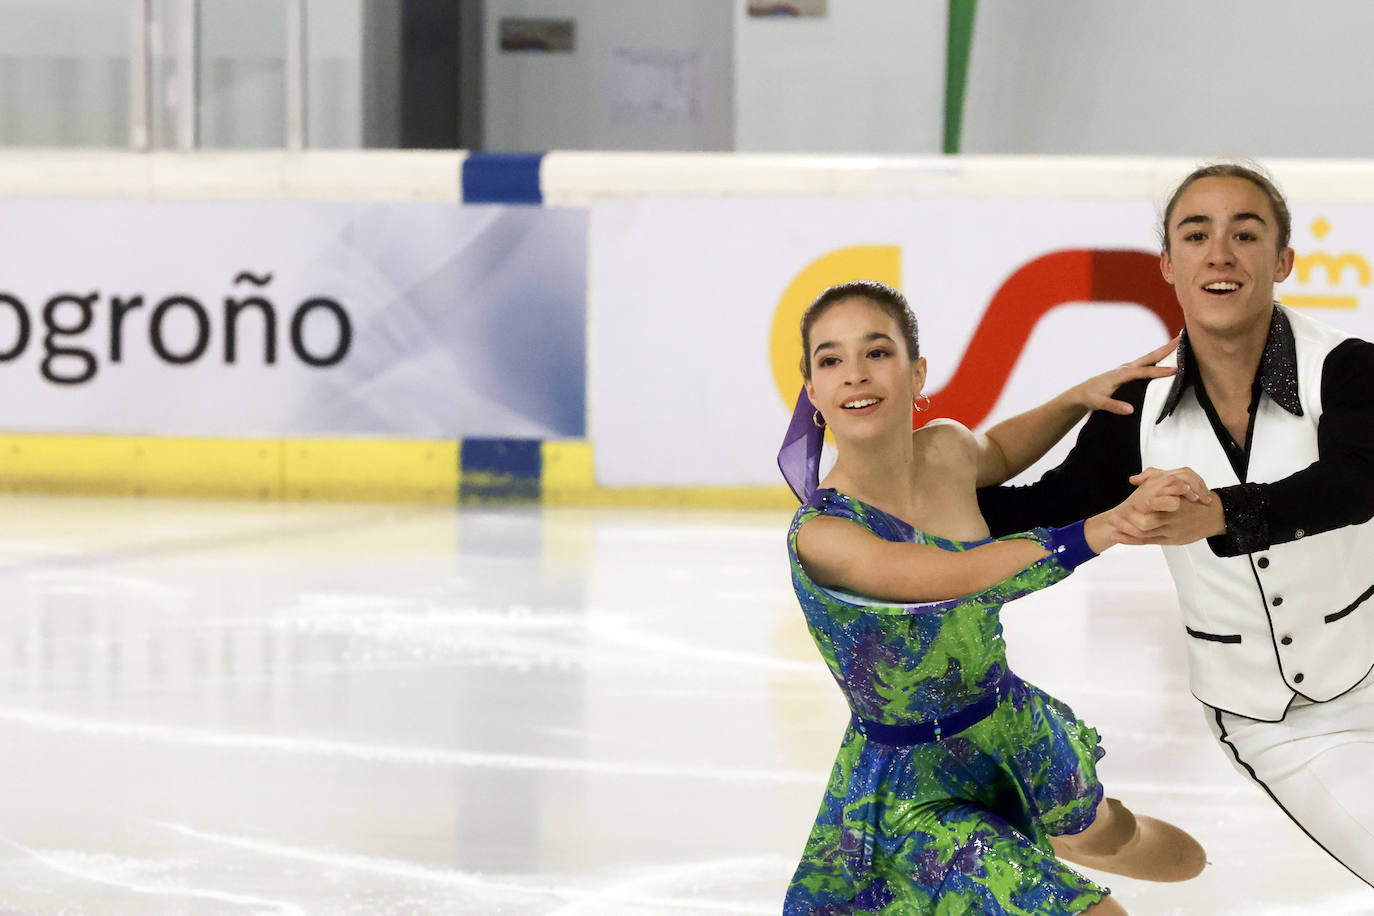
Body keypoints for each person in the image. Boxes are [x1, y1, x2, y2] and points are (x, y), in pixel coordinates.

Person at [977, 162, 1374, 888]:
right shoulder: (1137, 410)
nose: (1219, 252)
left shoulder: (1348, 370)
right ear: (1167, 263)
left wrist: (1220, 513)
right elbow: (1038, 511)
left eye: (1245, 234)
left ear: (1283, 260)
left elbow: (1357, 482)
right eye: (1196, 234)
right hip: (1282, 722)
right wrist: (900, 488)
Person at [778, 280, 1207, 916]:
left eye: (876, 352)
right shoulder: (824, 535)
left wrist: (1077, 398)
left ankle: (1074, 838)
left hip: (1007, 721)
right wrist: (1106, 526)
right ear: (813, 392)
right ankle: (1015, 847)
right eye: (830, 360)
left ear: (916, 372)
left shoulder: (947, 449)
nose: (855, 375)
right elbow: (953, 574)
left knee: (1115, 835)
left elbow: (1001, 450)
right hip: (915, 782)